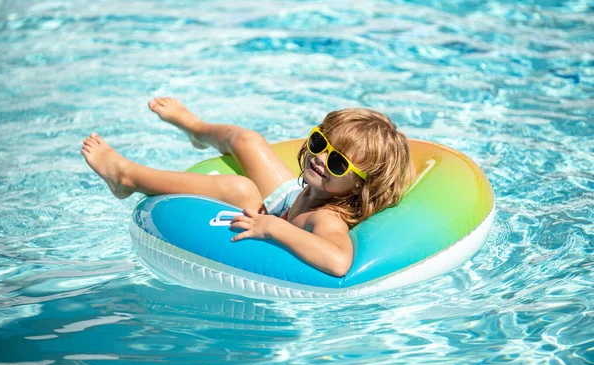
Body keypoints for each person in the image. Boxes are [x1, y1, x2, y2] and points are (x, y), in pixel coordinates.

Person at [82, 98, 414, 277]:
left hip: (281, 217)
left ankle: (126, 177)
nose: (320, 158)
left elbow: (339, 261)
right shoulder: (319, 185)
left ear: (359, 184)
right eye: (319, 142)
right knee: (247, 139)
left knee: (238, 187)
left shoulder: (326, 220)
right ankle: (196, 129)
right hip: (287, 203)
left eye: (338, 163)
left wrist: (273, 227)